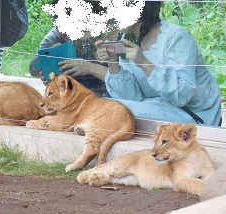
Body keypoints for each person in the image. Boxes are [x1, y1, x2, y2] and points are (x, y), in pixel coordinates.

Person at [94, 1, 222, 126]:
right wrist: (112, 62)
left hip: (195, 116)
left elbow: (183, 95)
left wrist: (144, 63)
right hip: (154, 108)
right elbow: (132, 98)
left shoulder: (175, 37)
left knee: (112, 111)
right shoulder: (128, 40)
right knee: (101, 106)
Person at [29, 0, 111, 97]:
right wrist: (46, 58)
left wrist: (90, 68)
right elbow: (33, 69)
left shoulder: (107, 34)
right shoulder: (55, 36)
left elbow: (126, 80)